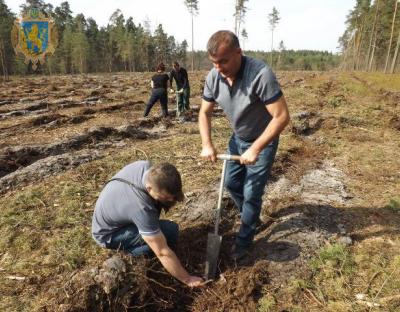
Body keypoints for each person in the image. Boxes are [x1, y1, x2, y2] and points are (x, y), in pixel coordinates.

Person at [199, 30, 290, 261]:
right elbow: (204, 112)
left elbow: (281, 116)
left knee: (252, 192)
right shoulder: (213, 76)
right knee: (230, 182)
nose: (219, 68)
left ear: (238, 52)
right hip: (238, 138)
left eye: (224, 61)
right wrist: (207, 144)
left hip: (263, 140)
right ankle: (251, 216)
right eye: (214, 63)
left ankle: (244, 240)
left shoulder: (260, 74)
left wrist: (257, 148)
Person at [92, 161, 204, 287]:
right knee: (170, 231)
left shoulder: (146, 168)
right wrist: (187, 279)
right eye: (166, 197)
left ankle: (151, 242)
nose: (172, 201)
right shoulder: (141, 209)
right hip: (109, 234)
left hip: (116, 214)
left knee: (161, 231)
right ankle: (134, 253)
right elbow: (162, 251)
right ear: (149, 188)